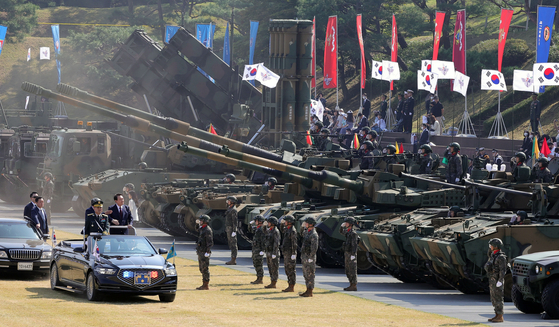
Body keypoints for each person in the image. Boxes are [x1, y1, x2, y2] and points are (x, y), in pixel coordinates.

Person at [484, 238, 507, 323]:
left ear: (496, 246)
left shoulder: (501, 257)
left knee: (498, 298)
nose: (490, 247)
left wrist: (500, 280)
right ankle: (496, 315)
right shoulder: (493, 255)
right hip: (492, 279)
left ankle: (500, 316)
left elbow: (502, 270)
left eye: (491, 245)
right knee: (493, 298)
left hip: (497, 280)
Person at [300, 216, 318, 297]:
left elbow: (314, 247)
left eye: (306, 223)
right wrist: (302, 227)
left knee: (310, 274)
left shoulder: (314, 234)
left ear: (311, 224)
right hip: (305, 256)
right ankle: (307, 289)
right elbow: (301, 234)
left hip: (310, 257)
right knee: (306, 274)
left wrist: (311, 257)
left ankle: (310, 291)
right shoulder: (307, 232)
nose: (305, 224)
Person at [340, 216, 359, 291]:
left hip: (351, 253)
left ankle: (354, 285)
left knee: (352, 270)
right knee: (348, 270)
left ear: (351, 224)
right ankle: (351, 284)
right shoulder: (348, 231)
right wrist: (341, 227)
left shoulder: (353, 233)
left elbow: (354, 245)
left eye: (347, 223)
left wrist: (353, 255)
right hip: (347, 253)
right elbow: (341, 232)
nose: (346, 224)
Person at [280, 215, 298, 292]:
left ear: (290, 222)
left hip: (290, 253)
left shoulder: (292, 231)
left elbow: (294, 243)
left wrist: (294, 253)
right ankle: (289, 285)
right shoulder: (287, 229)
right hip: (287, 252)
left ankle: (291, 286)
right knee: (287, 269)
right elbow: (282, 230)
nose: (285, 222)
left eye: (286, 221)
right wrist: (281, 223)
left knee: (291, 270)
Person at [196, 214, 213, 290]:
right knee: (201, 268)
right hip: (200, 251)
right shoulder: (202, 228)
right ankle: (204, 283)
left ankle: (205, 285)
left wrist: (208, 252)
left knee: (205, 268)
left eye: (201, 220)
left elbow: (210, 242)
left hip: (204, 252)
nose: (200, 221)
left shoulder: (207, 230)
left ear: (205, 221)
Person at [264, 216, 280, 289]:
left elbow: (276, 243)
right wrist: (264, 226)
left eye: (269, 222)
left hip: (273, 253)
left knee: (274, 268)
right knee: (270, 268)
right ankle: (272, 282)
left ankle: (274, 283)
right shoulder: (270, 230)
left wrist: (274, 253)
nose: (268, 223)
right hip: (268, 252)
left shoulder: (275, 231)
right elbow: (264, 232)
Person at [250, 215, 266, 285]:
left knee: (259, 264)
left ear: (260, 222)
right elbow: (251, 230)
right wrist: (250, 224)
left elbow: (263, 240)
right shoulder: (258, 228)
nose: (255, 222)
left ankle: (260, 279)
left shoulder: (262, 229)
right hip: (255, 248)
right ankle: (258, 278)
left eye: (256, 221)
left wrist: (262, 250)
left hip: (259, 249)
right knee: (256, 263)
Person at [225, 196, 238, 265]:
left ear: (232, 201)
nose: (228, 202)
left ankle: (233, 259)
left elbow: (235, 221)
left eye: (229, 200)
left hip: (231, 228)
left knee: (233, 244)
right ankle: (232, 259)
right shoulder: (229, 208)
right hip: (228, 228)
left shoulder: (233, 210)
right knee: (230, 244)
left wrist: (234, 231)